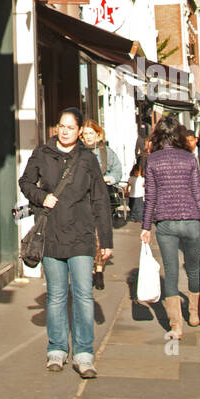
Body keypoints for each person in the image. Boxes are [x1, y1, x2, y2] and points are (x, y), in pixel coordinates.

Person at [19, 107, 113, 378]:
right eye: (61, 126)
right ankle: (57, 349)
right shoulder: (42, 153)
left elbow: (100, 199)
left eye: (71, 127)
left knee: (83, 294)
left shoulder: (87, 158)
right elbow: (25, 182)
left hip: (81, 235)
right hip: (52, 235)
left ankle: (84, 353)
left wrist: (105, 239)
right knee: (57, 295)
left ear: (80, 130)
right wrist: (41, 197)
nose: (65, 131)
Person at [141, 115, 200, 338]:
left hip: (165, 223)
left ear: (158, 135)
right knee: (193, 269)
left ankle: (176, 325)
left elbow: (150, 197)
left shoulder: (152, 160)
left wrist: (145, 227)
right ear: (179, 135)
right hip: (192, 221)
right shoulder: (189, 158)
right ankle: (194, 314)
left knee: (171, 272)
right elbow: (198, 195)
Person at [81, 119, 121, 290]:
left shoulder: (106, 152)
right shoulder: (78, 152)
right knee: (87, 235)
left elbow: (117, 171)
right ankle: (91, 270)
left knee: (100, 235)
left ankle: (98, 269)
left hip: (101, 199)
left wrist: (108, 179)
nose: (88, 137)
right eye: (85, 134)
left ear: (98, 134)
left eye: (91, 133)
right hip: (83, 200)